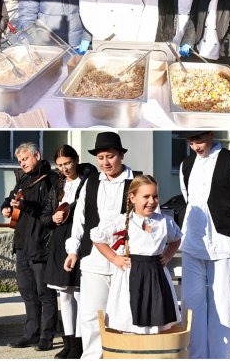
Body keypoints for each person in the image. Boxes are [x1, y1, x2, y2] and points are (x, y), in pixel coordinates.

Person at [179, 131, 230, 358]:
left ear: (211, 134)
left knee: (224, 307)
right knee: (192, 307)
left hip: (224, 244)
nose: (195, 146)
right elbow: (188, 198)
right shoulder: (187, 164)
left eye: (199, 140)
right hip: (192, 244)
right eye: (190, 142)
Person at [65, 132, 140, 358]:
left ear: (121, 155)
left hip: (123, 261)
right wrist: (73, 250)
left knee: (124, 316)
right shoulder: (91, 182)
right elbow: (79, 218)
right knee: (91, 316)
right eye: (101, 157)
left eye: (110, 156)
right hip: (93, 259)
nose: (105, 162)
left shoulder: (136, 180)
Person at [91, 175, 182, 333]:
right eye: (146, 197)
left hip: (157, 276)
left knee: (157, 318)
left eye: (155, 196)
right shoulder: (122, 221)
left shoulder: (164, 221)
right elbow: (97, 238)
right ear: (132, 198)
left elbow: (176, 238)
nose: (152, 201)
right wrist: (114, 258)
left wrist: (167, 255)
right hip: (131, 274)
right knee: (130, 318)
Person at [0, 142, 59, 352]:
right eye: (20, 161)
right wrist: (6, 207)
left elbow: (48, 209)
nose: (22, 163)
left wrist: (24, 206)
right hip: (22, 243)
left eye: (25, 159)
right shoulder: (22, 179)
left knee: (45, 293)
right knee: (27, 292)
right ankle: (30, 333)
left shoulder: (52, 179)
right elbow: (10, 198)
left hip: (41, 243)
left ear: (37, 156)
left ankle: (47, 336)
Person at [42, 145, 94, 359]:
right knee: (64, 293)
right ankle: (69, 342)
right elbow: (45, 215)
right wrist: (51, 218)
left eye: (68, 163)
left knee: (81, 293)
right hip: (59, 239)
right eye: (60, 165)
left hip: (81, 237)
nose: (64, 168)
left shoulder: (89, 180)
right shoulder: (57, 184)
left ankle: (81, 343)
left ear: (76, 160)